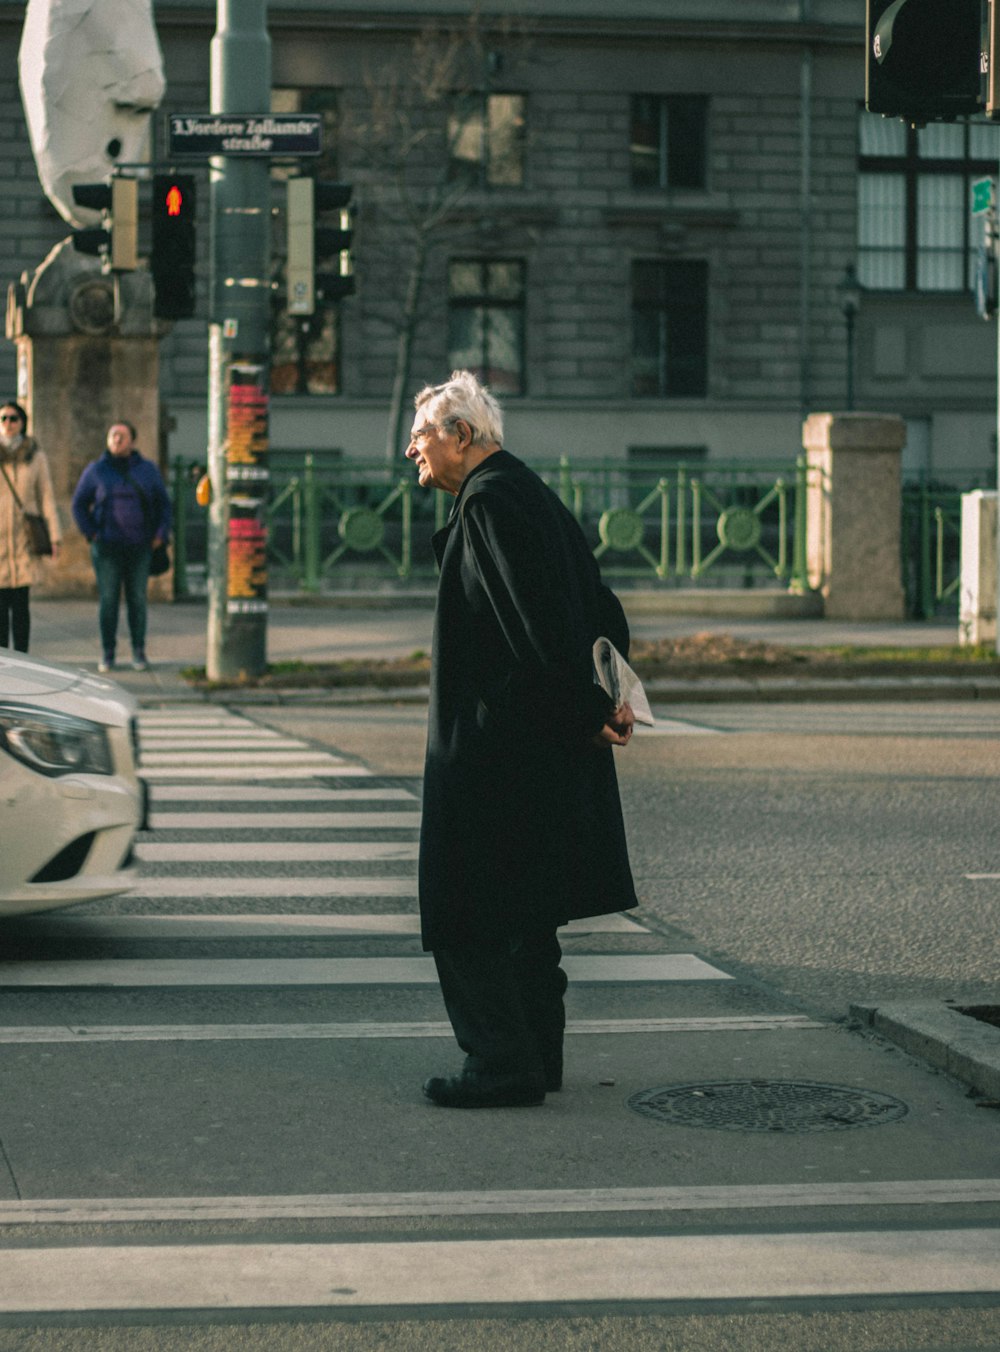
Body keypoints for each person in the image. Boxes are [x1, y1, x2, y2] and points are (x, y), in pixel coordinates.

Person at [406, 370, 638, 1109]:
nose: (412, 448)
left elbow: (532, 628)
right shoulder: (528, 493)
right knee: (527, 916)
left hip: (494, 754)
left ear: (462, 437)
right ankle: (537, 1057)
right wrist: (610, 697)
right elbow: (600, 605)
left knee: (463, 912)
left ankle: (501, 1065)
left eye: (423, 435)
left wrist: (586, 707)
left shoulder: (489, 505)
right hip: (539, 754)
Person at [71, 420, 171, 672]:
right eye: (113, 435)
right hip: (107, 547)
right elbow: (79, 504)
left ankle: (139, 651)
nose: (116, 440)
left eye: (122, 436)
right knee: (109, 600)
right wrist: (91, 532)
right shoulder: (96, 470)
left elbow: (164, 504)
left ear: (132, 442)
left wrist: (160, 533)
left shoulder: (147, 470)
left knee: (137, 599)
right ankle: (108, 652)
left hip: (140, 547)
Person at [0, 400, 61, 653]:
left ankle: (23, 659)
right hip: (1, 539)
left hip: (25, 537)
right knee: (0, 609)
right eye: (3, 419)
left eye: (13, 418)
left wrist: (55, 537)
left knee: (21, 605)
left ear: (22, 422)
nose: (8, 424)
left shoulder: (35, 456)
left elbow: (46, 496)